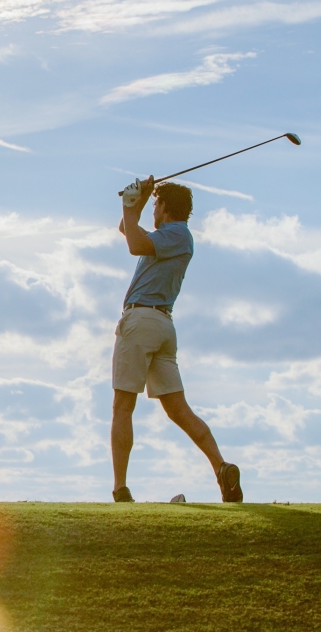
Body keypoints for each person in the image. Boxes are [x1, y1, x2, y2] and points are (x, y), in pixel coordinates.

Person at [110, 176, 242, 503]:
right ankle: (221, 469)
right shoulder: (171, 236)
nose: (153, 208)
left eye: (156, 203)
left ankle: (120, 489)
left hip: (142, 320)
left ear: (166, 207)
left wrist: (131, 204)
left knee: (123, 406)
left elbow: (134, 244)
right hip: (162, 326)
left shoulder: (177, 233)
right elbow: (128, 230)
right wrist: (137, 201)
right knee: (178, 410)